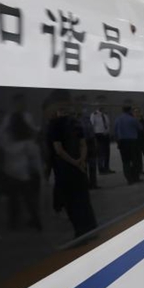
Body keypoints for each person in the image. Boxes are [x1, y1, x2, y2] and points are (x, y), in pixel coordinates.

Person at [46, 97, 97, 239]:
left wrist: (73, 162)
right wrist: (81, 160)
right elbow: (83, 144)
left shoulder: (54, 125)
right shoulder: (76, 123)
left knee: (71, 203)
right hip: (80, 168)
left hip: (65, 169)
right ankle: (92, 229)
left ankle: (81, 233)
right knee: (84, 200)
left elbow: (58, 150)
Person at [114, 105, 143, 184]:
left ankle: (129, 179)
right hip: (132, 141)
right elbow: (140, 128)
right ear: (130, 110)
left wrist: (118, 142)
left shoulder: (118, 119)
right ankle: (135, 177)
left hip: (122, 142)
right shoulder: (132, 119)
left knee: (125, 161)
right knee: (134, 160)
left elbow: (115, 132)